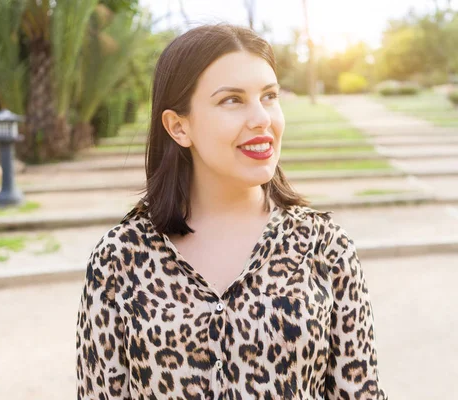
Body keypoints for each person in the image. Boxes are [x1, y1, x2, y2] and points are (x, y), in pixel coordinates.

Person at [76, 23, 387, 399]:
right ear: (178, 127)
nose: (262, 118)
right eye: (232, 100)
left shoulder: (325, 247)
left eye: (269, 96)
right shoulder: (119, 259)